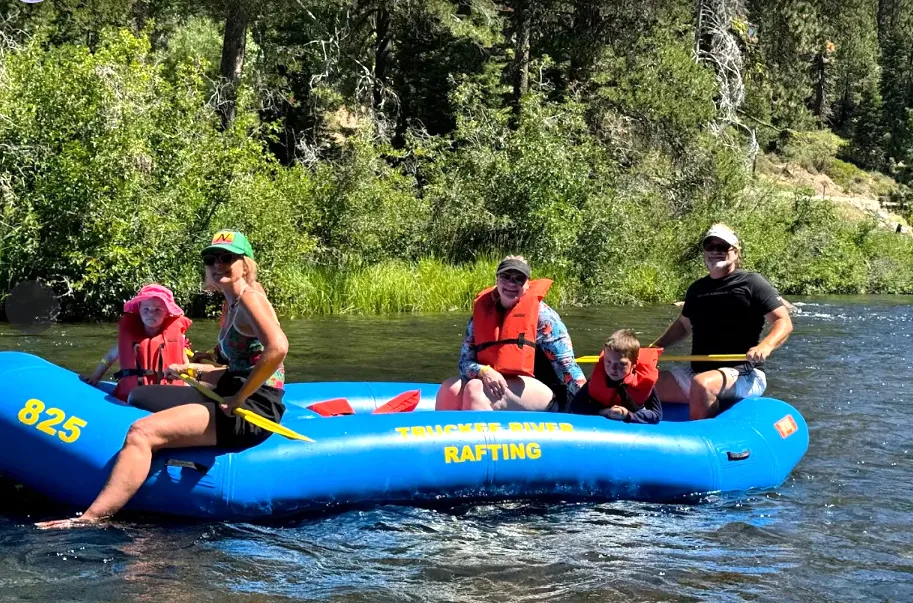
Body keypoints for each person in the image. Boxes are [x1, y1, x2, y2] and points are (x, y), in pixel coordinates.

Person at [37, 230, 288, 528]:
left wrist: (239, 397)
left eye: (227, 258)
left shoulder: (249, 299)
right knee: (139, 396)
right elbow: (240, 355)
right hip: (227, 386)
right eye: (211, 259)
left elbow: (278, 348)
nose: (217, 264)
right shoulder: (230, 301)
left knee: (141, 433)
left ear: (245, 265)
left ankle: (92, 518)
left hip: (251, 405)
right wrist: (199, 364)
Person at [652, 224, 792, 420]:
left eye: (722, 247)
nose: (715, 251)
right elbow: (683, 325)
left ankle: (703, 432)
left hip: (744, 373)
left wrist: (766, 346)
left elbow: (783, 321)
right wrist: (653, 348)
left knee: (702, 385)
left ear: (735, 252)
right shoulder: (697, 289)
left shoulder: (752, 283)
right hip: (697, 371)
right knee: (640, 383)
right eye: (710, 246)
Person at [435, 256, 586, 412]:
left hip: (545, 392)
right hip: (495, 383)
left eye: (519, 279)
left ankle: (485, 427)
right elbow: (464, 362)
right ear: (497, 279)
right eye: (505, 277)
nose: (511, 283)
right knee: (450, 389)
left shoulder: (544, 317)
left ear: (528, 284)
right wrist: (483, 371)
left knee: (475, 388)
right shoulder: (480, 315)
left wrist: (588, 401)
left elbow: (567, 366)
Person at [80, 284, 192, 402]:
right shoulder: (129, 336)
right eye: (146, 309)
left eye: (157, 310)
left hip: (166, 397)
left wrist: (181, 371)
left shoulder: (175, 339)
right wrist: (95, 377)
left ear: (167, 313)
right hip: (131, 396)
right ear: (139, 310)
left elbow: (186, 365)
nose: (151, 313)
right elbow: (108, 358)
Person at [568, 329, 663, 424]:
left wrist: (627, 414)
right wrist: (603, 411)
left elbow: (656, 415)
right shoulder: (597, 379)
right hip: (601, 413)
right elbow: (576, 405)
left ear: (634, 364)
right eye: (608, 362)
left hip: (630, 417)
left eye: (621, 364)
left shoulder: (643, 381)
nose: (613, 368)